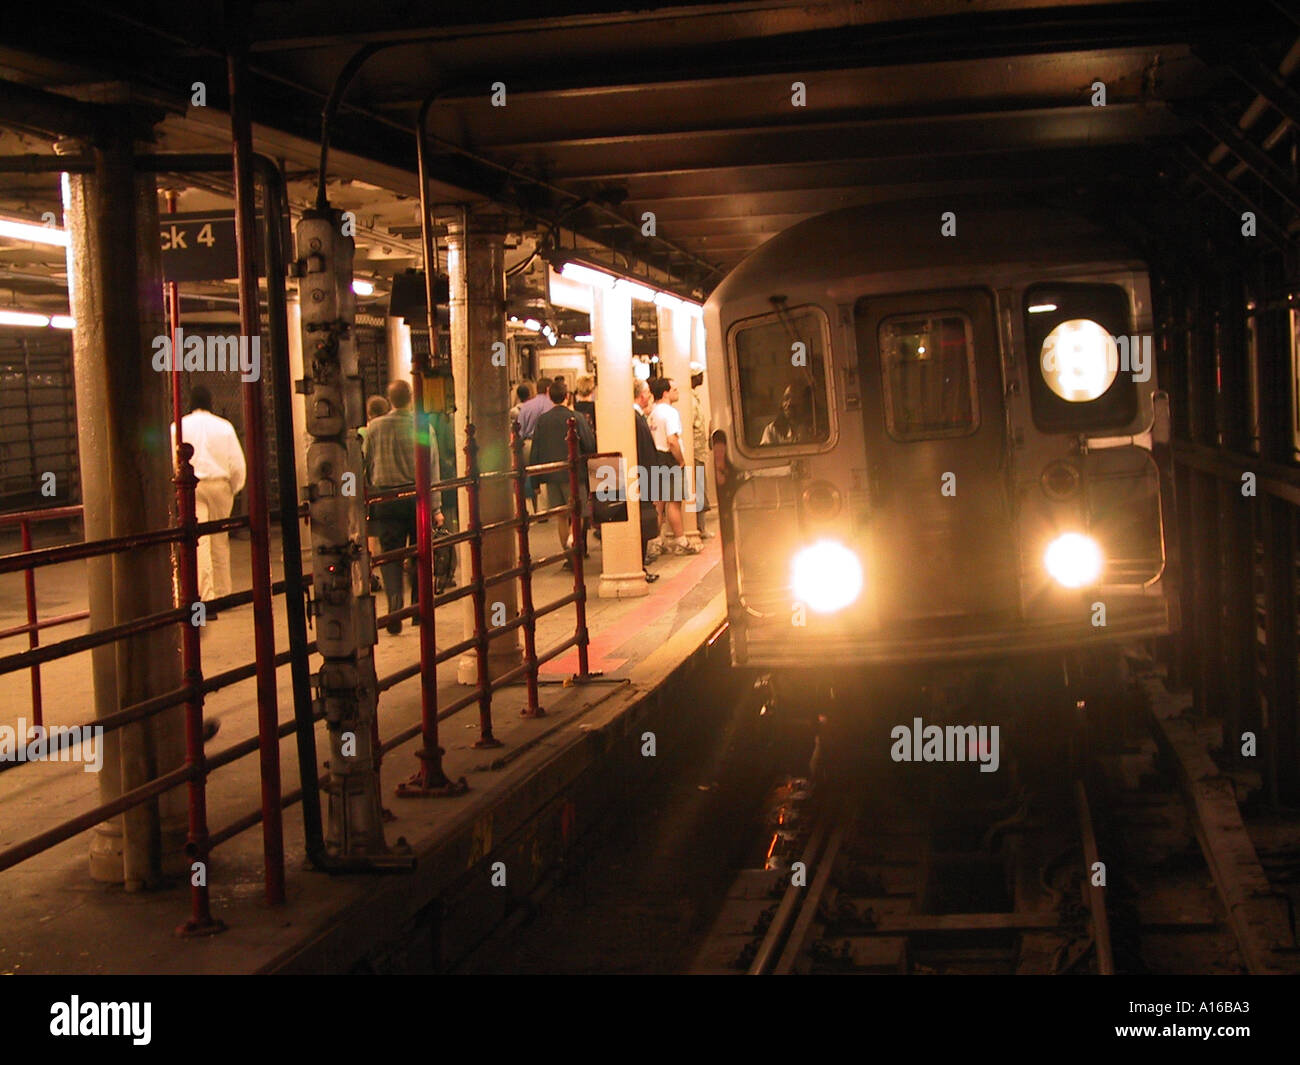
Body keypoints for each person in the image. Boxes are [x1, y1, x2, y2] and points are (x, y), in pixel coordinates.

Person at [363, 379, 443, 635]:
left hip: (387, 499)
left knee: (391, 555)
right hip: (417, 496)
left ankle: (395, 610)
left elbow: (366, 462)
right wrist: (436, 506)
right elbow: (431, 466)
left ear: (389, 399)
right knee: (420, 552)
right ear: (411, 397)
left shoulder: (375, 428)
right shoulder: (421, 426)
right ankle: (419, 608)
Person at [171, 384, 247, 605]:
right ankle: (223, 594)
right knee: (220, 540)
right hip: (220, 486)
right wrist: (233, 487)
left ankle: (206, 596)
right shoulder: (225, 427)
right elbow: (237, 465)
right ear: (210, 403)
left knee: (199, 542)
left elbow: (174, 462)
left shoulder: (178, 427)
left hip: (192, 488)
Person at [530, 379, 595, 561]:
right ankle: (574, 542)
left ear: (550, 397)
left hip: (551, 476)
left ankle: (567, 555)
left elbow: (535, 450)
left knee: (561, 516)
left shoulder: (542, 420)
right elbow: (589, 444)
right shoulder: (576, 417)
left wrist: (535, 481)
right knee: (578, 512)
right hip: (574, 474)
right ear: (567, 396)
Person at [650, 377, 700, 555]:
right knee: (674, 501)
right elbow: (672, 440)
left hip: (656, 457)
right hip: (669, 458)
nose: (677, 392)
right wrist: (680, 460)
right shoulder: (670, 413)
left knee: (659, 503)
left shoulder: (653, 412)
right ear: (665, 392)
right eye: (674, 389)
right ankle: (680, 540)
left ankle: (656, 540)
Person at [632, 381, 661, 582]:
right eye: (648, 393)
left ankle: (640, 565)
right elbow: (643, 450)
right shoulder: (635, 419)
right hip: (640, 478)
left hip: (640, 477)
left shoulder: (637, 417)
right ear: (642, 396)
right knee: (640, 522)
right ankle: (639, 566)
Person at [690, 364, 713, 538]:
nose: (702, 378)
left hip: (699, 452)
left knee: (700, 488)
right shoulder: (690, 401)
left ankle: (701, 526)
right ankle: (700, 528)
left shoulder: (694, 398)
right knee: (698, 489)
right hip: (695, 453)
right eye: (699, 375)